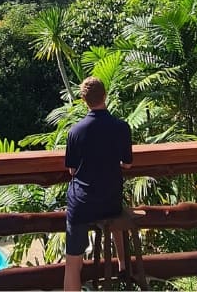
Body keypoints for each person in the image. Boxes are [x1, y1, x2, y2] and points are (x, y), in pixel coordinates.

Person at [63, 77, 133, 292]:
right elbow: (127, 164)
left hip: (82, 204)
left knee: (72, 266)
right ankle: (123, 267)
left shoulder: (75, 131)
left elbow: (72, 170)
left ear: (84, 100)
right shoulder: (121, 127)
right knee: (118, 214)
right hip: (110, 202)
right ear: (105, 96)